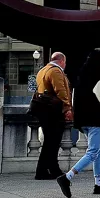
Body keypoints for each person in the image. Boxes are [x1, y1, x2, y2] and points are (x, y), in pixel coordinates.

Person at [56, 51, 100, 198]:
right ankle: (67, 177)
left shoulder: (82, 75)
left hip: (83, 119)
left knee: (99, 151)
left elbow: (76, 98)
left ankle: (99, 184)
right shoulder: (97, 77)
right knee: (93, 152)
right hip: (95, 118)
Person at [33, 52, 72, 182]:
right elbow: (61, 91)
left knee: (49, 142)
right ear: (61, 61)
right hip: (53, 111)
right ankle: (52, 170)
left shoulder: (43, 70)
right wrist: (67, 108)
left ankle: (43, 170)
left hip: (43, 110)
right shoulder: (55, 71)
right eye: (65, 63)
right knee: (53, 142)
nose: (65, 65)